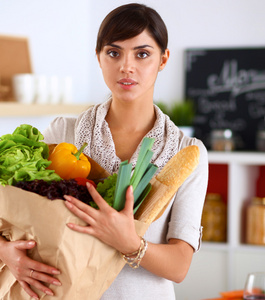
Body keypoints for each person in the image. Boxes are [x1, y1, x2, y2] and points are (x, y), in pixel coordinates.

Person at [0, 3, 208, 299]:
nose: (126, 66)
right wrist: (7, 252)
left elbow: (179, 266)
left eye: (142, 53)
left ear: (163, 59)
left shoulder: (187, 153)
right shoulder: (64, 133)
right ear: (98, 57)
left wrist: (130, 243)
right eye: (113, 52)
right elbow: (12, 212)